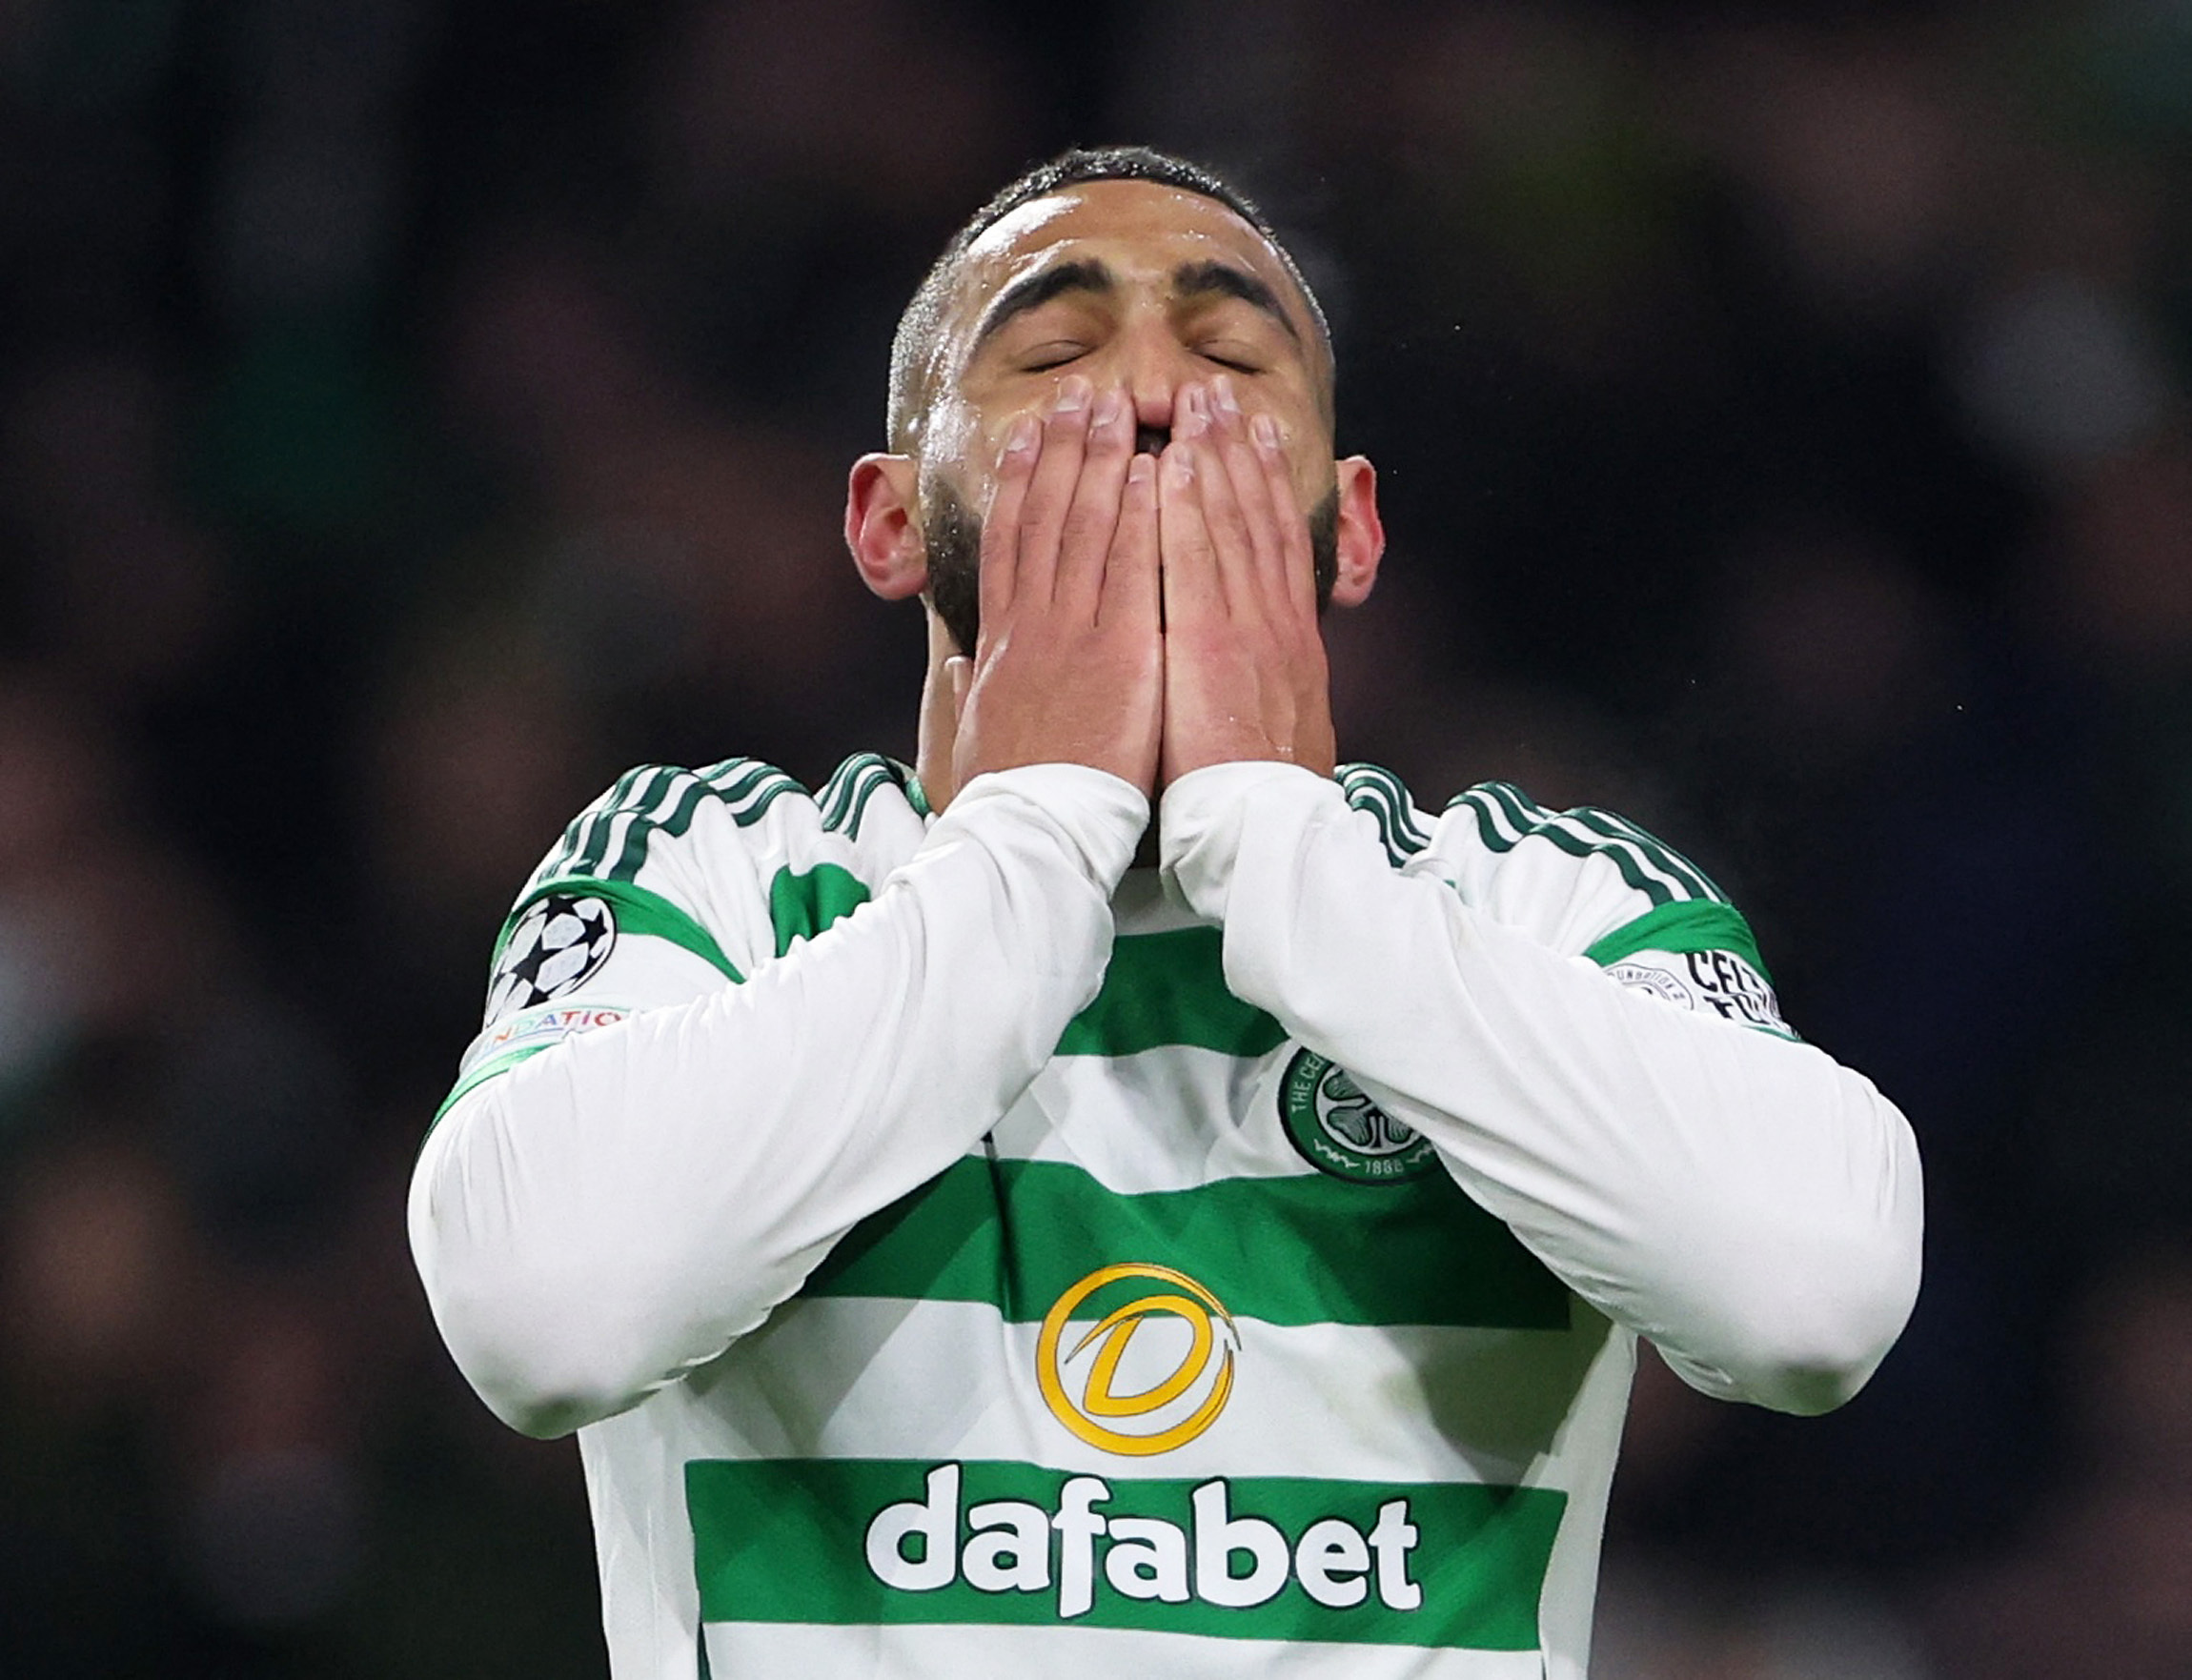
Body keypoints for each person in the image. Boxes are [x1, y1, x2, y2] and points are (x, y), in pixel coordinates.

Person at [409, 146, 1923, 1678]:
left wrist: (1274, 842)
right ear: (884, 522)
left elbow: (1810, 1295)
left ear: (1353, 527)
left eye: (1231, 356)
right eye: (1052, 353)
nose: (1146, 398)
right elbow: (544, 1317)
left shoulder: (1544, 901)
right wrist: (1034, 835)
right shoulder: (717, 875)